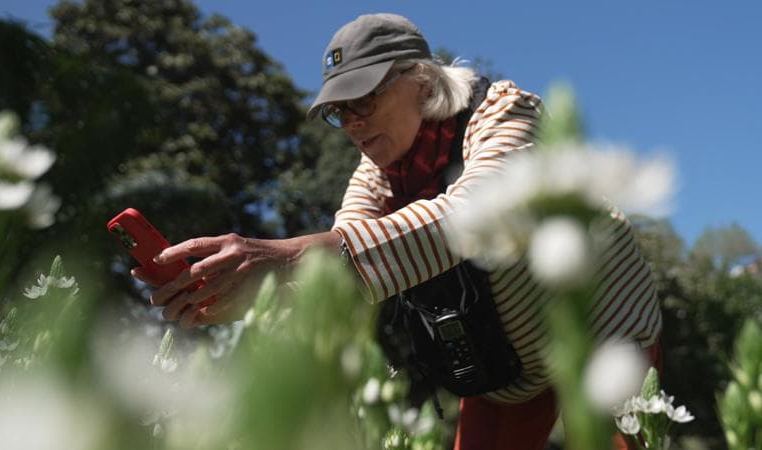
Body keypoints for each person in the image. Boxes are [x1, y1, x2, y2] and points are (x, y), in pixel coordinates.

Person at [133, 13, 661, 450]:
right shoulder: (375, 174)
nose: (354, 123)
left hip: (601, 331)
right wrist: (249, 297)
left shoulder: (505, 111)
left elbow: (475, 215)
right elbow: (338, 268)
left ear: (423, 81)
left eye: (363, 99)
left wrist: (290, 255)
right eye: (340, 112)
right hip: (508, 371)